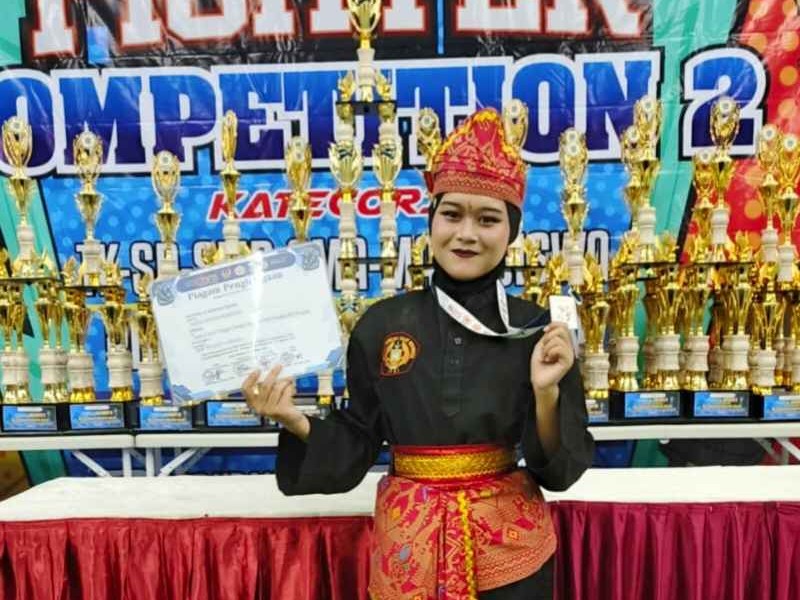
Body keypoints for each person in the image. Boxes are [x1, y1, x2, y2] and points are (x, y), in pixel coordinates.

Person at [242, 108, 594, 600]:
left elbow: (558, 471)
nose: (466, 233)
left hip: (510, 557)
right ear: (431, 221)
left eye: (488, 219)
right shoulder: (381, 325)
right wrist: (294, 420)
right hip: (410, 548)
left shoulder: (538, 330)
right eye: (452, 215)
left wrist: (545, 393)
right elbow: (359, 436)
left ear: (511, 231)